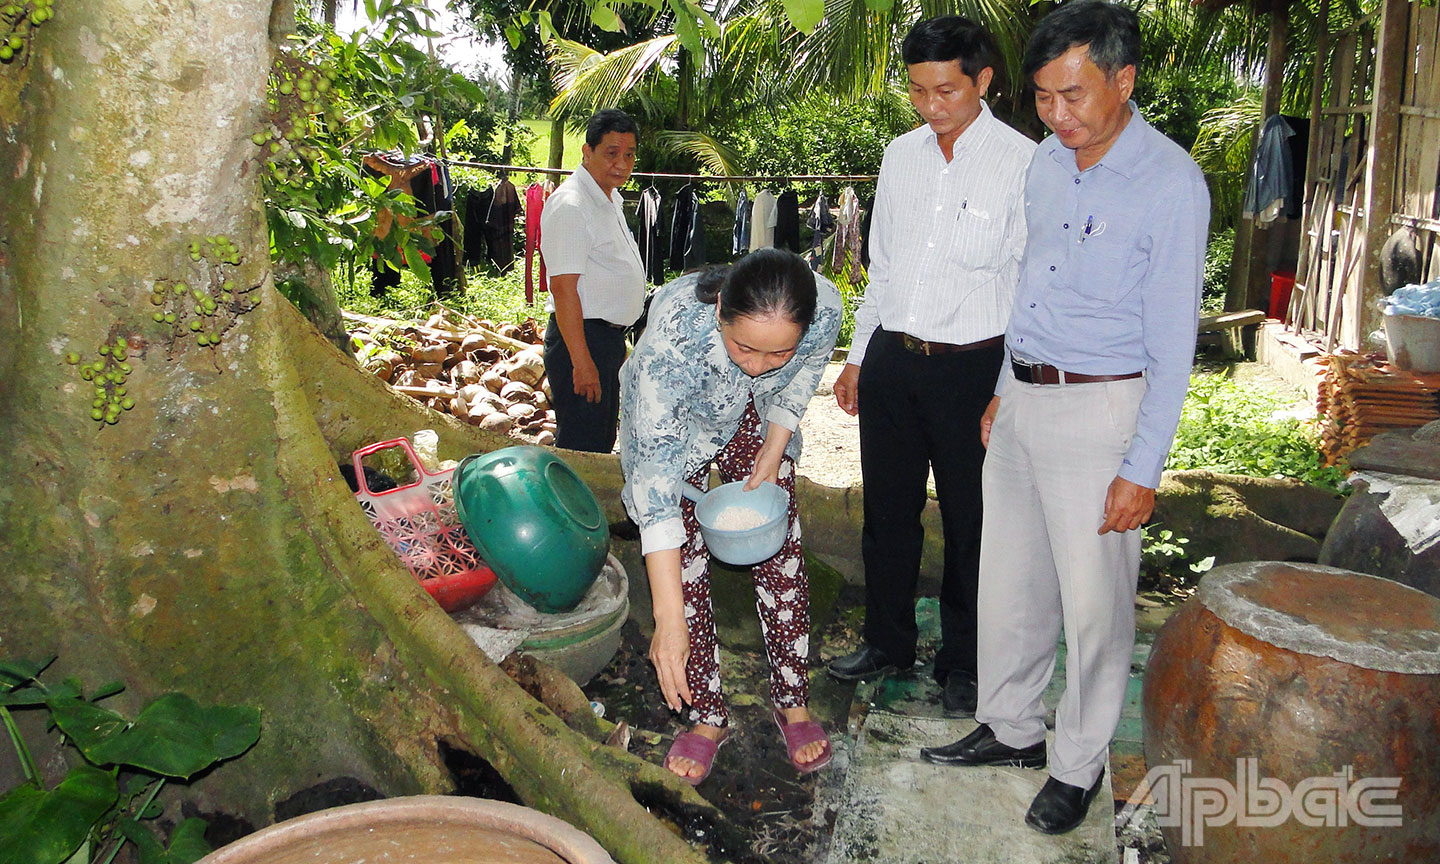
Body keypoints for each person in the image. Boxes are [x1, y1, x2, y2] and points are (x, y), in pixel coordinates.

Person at [919, 0, 1210, 837]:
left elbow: (1171, 344)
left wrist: (1142, 465)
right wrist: (1007, 386)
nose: (1058, 115)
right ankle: (1011, 726)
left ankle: (1077, 765)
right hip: (1023, 402)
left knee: (1095, 608)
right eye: (1044, 98)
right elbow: (1031, 282)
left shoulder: (1169, 183)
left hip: (1104, 408)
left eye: (1074, 95)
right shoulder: (1046, 164)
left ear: (1123, 80)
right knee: (1010, 583)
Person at [825, 16, 1035, 718]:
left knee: (976, 523)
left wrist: (1008, 387)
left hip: (973, 369)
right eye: (918, 91)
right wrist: (858, 357)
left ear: (982, 81)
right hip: (893, 359)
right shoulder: (900, 156)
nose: (931, 105)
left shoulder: (1023, 163)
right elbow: (882, 269)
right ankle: (887, 642)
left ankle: (965, 662)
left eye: (945, 90)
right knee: (887, 515)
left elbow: (1030, 287)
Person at [620, 249, 842, 784]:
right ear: (720, 309)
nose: (759, 362)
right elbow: (655, 487)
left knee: (779, 546)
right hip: (681, 424)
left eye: (777, 352)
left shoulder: (825, 305)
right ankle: (707, 714)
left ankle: (792, 699)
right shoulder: (671, 346)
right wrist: (667, 620)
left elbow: (803, 369)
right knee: (683, 567)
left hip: (755, 417)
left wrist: (777, 439)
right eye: (744, 347)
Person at [540, 109, 646, 453]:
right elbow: (564, 288)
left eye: (629, 154)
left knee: (599, 437)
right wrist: (582, 363)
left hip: (605, 339)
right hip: (582, 338)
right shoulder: (572, 204)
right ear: (587, 152)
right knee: (582, 443)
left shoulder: (609, 197)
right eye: (611, 153)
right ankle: (569, 507)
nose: (622, 163)